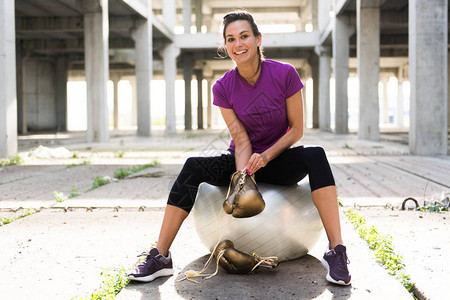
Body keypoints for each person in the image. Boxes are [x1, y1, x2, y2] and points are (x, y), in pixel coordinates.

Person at [128, 10, 351, 286]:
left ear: (258, 39)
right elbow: (241, 138)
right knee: (192, 166)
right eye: (231, 39)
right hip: (243, 160)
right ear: (226, 46)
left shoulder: (285, 74)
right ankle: (160, 255)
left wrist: (266, 156)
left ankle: (337, 251)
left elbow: (296, 130)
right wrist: (242, 182)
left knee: (316, 155)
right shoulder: (223, 87)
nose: (238, 44)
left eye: (244, 36)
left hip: (277, 159)